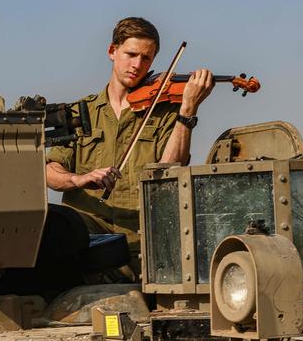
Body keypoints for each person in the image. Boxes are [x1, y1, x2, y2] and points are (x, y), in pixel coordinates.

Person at [46, 17, 214, 279]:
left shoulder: (165, 110)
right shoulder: (80, 112)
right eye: (131, 54)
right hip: (86, 236)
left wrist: (188, 111)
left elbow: (171, 168)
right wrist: (80, 179)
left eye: (146, 59)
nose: (137, 65)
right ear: (112, 51)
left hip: (139, 240)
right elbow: (50, 172)